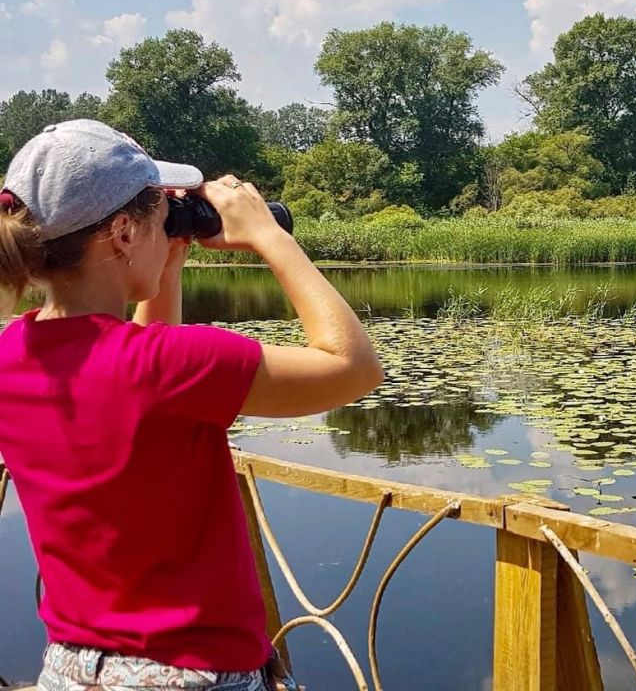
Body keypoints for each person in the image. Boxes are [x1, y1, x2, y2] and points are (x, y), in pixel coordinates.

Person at [0, 119, 385, 690]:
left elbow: (138, 384)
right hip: (190, 675)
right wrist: (271, 239)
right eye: (163, 213)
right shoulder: (175, 363)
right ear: (125, 233)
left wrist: (168, 268)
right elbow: (353, 368)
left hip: (72, 669)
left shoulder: (12, 353)